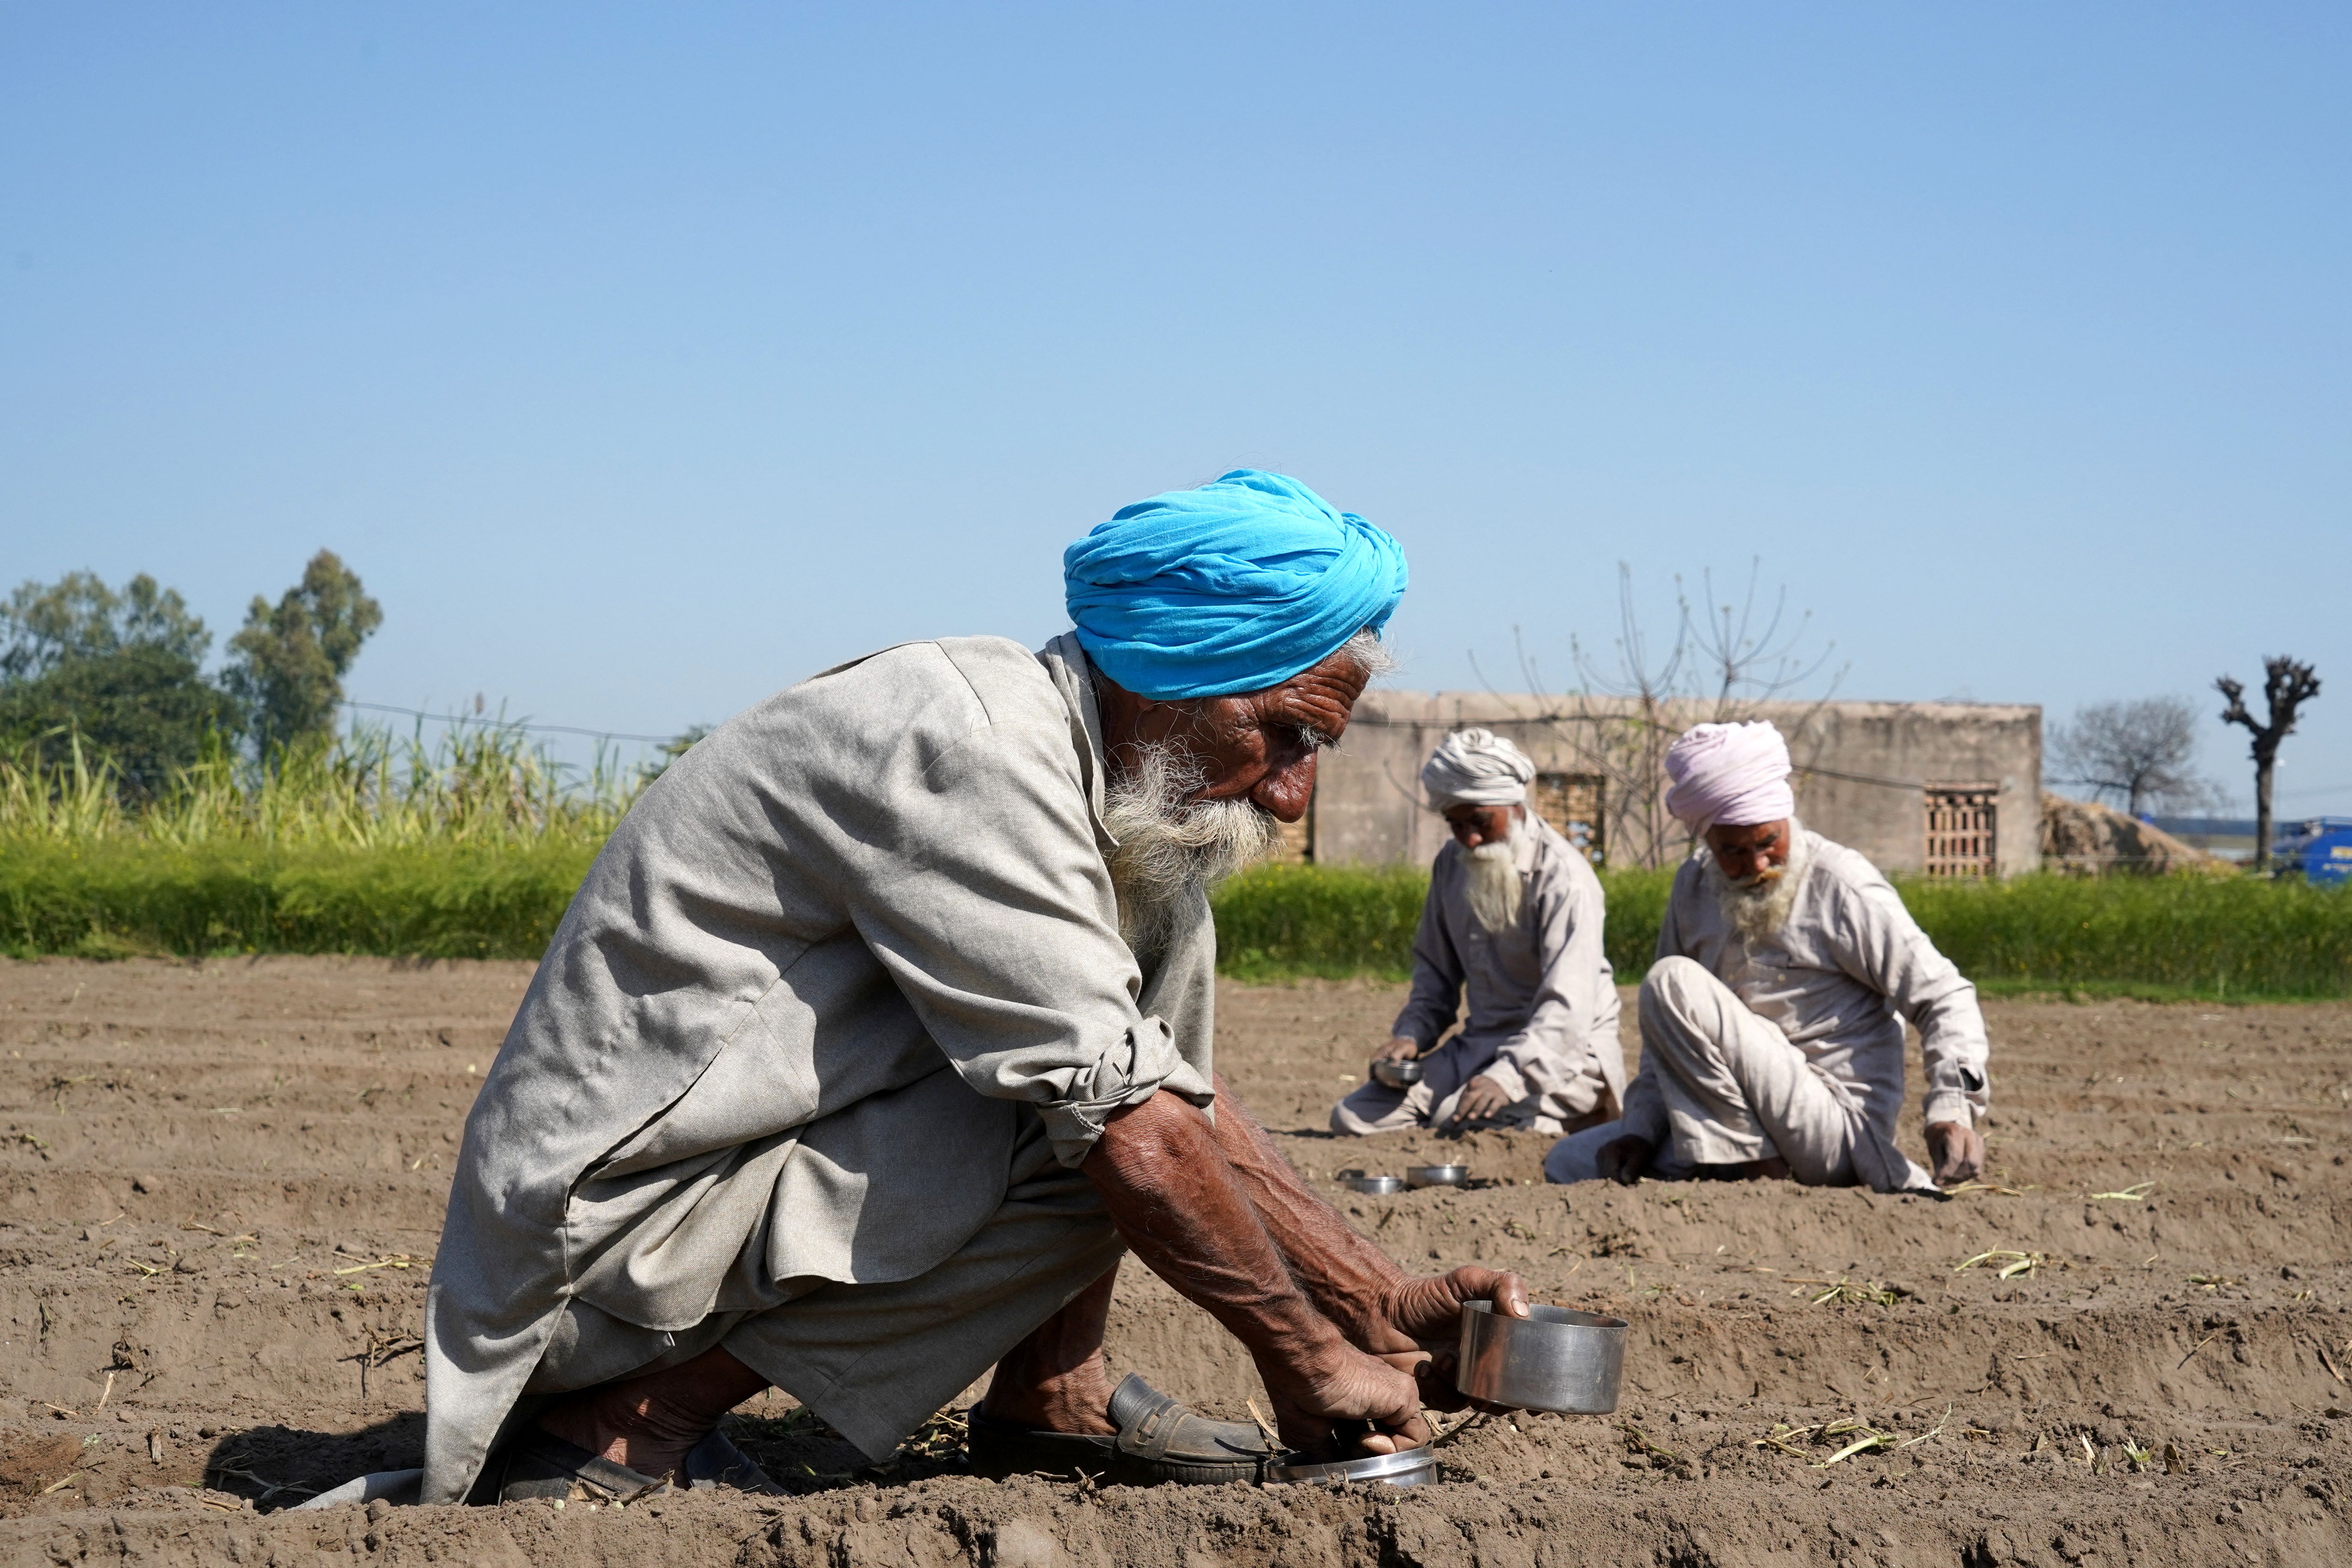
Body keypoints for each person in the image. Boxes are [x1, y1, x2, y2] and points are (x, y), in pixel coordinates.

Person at [407, 470, 1527, 1507]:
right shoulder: (970, 748)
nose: (1291, 796)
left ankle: (1052, 1393)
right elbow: (1133, 1124)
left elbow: (1162, 1084)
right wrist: (1304, 1355)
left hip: (714, 1190)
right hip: (606, 1245)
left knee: (1136, 1035)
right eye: (1282, 733)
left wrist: (1369, 1296)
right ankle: (628, 1422)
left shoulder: (1102, 786)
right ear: (1169, 670)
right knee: (1109, 1135)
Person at [1543, 720, 1990, 1194]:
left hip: (1831, 1124)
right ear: (1706, 840)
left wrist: (1951, 1109)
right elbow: (1666, 1037)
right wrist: (1641, 1127)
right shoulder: (1693, 887)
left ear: (1784, 817)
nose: (1755, 865)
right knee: (1570, 1161)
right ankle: (1734, 1163)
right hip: (1738, 1112)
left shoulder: (1840, 883)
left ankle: (1759, 1173)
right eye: (1732, 851)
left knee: (1671, 982)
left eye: (1766, 843)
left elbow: (1943, 994)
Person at [1331, 728, 1622, 1137]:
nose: (1469, 837)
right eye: (1456, 824)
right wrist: (1411, 1035)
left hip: (1563, 1054)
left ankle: (1572, 1117)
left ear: (1515, 806)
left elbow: (1567, 1009)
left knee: (1456, 1119)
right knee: (1354, 1117)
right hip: (1479, 1045)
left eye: (1481, 822)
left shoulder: (1565, 879)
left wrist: (1508, 1076)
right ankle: (1533, 1121)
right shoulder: (1452, 863)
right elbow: (1435, 972)